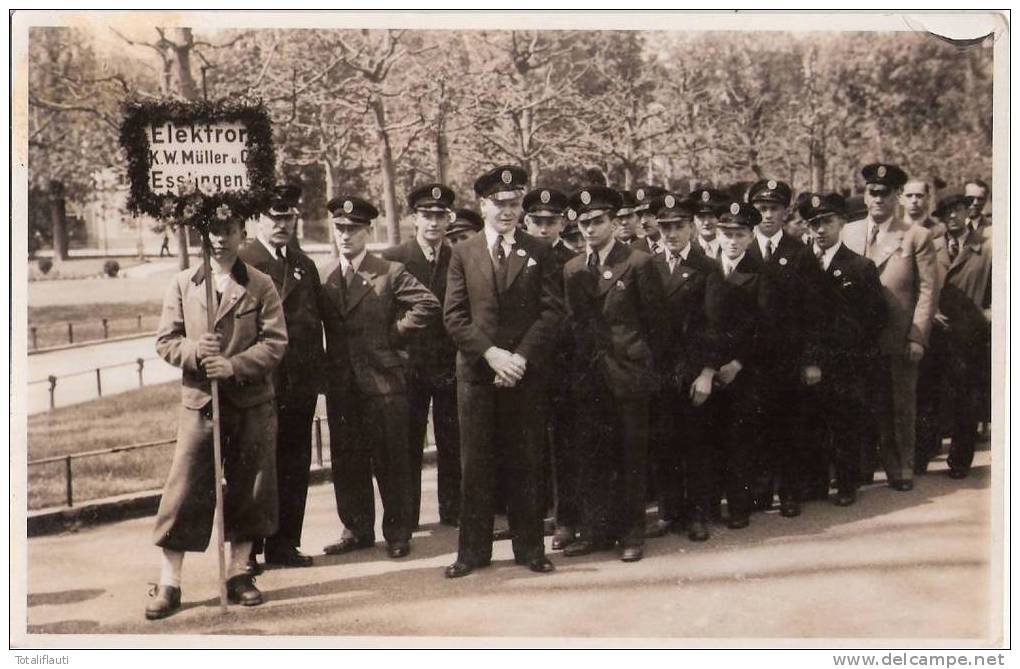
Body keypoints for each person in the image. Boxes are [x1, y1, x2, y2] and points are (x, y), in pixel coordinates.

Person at [146, 212, 288, 620]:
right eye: (212, 231)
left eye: (228, 231)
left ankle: (240, 573)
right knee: (185, 489)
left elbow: (275, 342)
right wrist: (194, 351)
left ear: (243, 234)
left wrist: (235, 365)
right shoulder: (184, 283)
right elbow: (165, 340)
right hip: (200, 403)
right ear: (201, 235)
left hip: (250, 402)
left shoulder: (260, 284)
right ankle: (169, 581)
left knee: (252, 486)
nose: (220, 239)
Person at [443, 165, 563, 578]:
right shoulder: (464, 252)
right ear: (483, 205)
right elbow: (455, 316)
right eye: (500, 204)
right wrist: (492, 355)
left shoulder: (539, 251)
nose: (508, 211)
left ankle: (530, 550)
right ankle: (471, 553)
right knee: (475, 464)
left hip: (523, 375)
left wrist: (520, 359)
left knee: (526, 461)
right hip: (478, 374)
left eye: (515, 204)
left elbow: (551, 313)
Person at [319, 195, 441, 560]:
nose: (345, 236)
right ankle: (356, 529)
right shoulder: (323, 274)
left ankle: (398, 531)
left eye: (353, 229)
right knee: (347, 458)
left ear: (367, 231)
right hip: (342, 384)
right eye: (340, 228)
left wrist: (394, 335)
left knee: (391, 459)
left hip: (384, 382)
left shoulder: (388, 271)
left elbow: (428, 305)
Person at [561, 185, 664, 562]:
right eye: (584, 222)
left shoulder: (637, 262)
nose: (590, 228)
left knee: (631, 456)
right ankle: (596, 532)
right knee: (593, 457)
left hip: (629, 374)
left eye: (598, 221)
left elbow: (656, 323)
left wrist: (642, 364)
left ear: (612, 221)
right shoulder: (572, 269)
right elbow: (575, 326)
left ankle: (633, 533)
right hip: (591, 378)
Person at [238, 184, 324, 572]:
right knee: (256, 466)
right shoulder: (243, 263)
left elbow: (313, 325)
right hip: (260, 383)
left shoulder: (304, 264)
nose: (282, 224)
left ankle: (285, 543)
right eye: (274, 216)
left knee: (294, 463)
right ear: (258, 219)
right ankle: (249, 550)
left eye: (288, 216)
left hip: (299, 385)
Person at [841, 163, 938, 491]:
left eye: (885, 193)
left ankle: (901, 468)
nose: (878, 199)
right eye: (872, 192)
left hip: (896, 334)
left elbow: (927, 290)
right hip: (855, 337)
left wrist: (917, 335)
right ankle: (861, 466)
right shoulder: (849, 232)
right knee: (858, 402)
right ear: (865, 195)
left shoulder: (916, 236)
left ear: (897, 196)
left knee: (899, 403)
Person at [798, 193, 887, 506]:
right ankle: (816, 483)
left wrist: (854, 355)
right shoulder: (799, 263)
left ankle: (847, 483)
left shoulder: (860, 266)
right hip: (808, 360)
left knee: (845, 423)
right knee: (812, 423)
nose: (820, 229)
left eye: (827, 221)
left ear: (841, 223)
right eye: (813, 223)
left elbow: (876, 318)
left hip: (846, 362)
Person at [382, 183, 462, 528]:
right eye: (426, 215)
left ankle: (453, 510)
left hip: (449, 362)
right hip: (409, 363)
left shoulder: (460, 255)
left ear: (448, 219)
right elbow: (385, 311)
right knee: (407, 441)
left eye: (440, 216)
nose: (433, 222)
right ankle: (407, 516)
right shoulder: (395, 257)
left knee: (452, 439)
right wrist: (397, 341)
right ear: (414, 218)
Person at [745, 178, 820, 517]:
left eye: (774, 208)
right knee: (755, 425)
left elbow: (813, 312)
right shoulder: (740, 248)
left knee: (789, 425)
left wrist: (810, 360)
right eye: (761, 208)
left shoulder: (800, 252)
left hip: (787, 357)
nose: (767, 215)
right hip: (750, 359)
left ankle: (790, 492)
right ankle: (759, 491)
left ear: (786, 211)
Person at [648, 193, 717, 540]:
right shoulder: (650, 263)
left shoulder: (707, 267)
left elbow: (714, 326)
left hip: (692, 371)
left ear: (691, 227)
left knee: (696, 444)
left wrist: (707, 372)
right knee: (663, 442)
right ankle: (668, 510)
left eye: (678, 226)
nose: (671, 234)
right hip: (660, 370)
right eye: (665, 227)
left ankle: (698, 513)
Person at [698, 202, 765, 530]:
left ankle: (740, 506)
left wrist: (739, 362)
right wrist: (709, 366)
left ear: (751, 237)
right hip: (710, 368)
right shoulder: (707, 270)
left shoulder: (762, 273)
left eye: (739, 234)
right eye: (727, 233)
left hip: (744, 370)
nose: (732, 240)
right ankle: (710, 503)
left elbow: (767, 326)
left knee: (740, 440)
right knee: (710, 438)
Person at [522, 187, 579, 550]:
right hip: (524, 362)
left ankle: (566, 519)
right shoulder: (514, 254)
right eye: (537, 221)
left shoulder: (572, 262)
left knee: (563, 444)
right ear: (526, 221)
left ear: (563, 222)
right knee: (526, 442)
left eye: (551, 221)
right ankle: (529, 515)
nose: (544, 228)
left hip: (561, 364)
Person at [925, 194, 992, 479]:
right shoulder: (932, 246)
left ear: (968, 211)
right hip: (937, 332)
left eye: (957, 210)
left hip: (970, 333)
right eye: (946, 213)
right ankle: (923, 453)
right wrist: (930, 312)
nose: (952, 216)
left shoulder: (987, 248)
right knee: (930, 393)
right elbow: (922, 284)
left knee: (966, 396)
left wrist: (988, 314)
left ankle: (960, 460)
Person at [691, 188, 727, 260]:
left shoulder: (729, 248)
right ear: (694, 219)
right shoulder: (688, 250)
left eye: (712, 216)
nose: (707, 222)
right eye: (701, 217)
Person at [633, 185, 668, 255]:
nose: (643, 221)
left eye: (649, 214)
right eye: (640, 215)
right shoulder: (632, 250)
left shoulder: (676, 247)